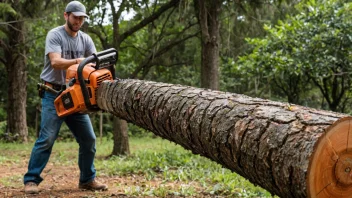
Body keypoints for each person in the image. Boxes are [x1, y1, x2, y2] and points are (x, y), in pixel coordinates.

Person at [24, 1, 107, 194]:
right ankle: (31, 180)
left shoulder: (86, 39)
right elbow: (55, 62)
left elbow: (96, 63)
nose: (78, 21)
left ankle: (87, 180)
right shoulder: (55, 34)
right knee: (47, 139)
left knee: (89, 139)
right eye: (75, 17)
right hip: (53, 94)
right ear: (66, 15)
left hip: (76, 96)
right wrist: (79, 62)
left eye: (81, 18)